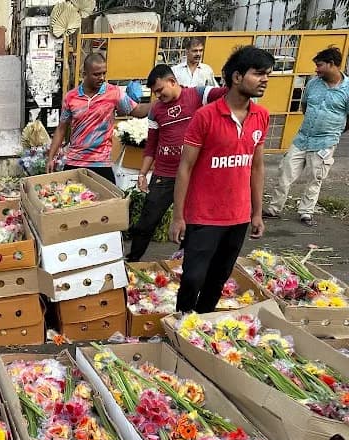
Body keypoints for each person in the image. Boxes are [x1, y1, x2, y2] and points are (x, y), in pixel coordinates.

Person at [169, 45, 274, 314]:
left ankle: (200, 327)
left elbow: (257, 166)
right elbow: (185, 167)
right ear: (236, 77)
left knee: (218, 279)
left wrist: (257, 212)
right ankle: (181, 323)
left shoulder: (261, 116)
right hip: (203, 216)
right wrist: (178, 217)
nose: (264, 80)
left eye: (268, 75)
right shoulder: (206, 116)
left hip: (237, 216)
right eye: (258, 73)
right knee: (192, 278)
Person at [126, 65, 226, 261]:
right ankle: (132, 260)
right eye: (155, 92)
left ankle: (183, 261)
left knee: (192, 222)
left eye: (160, 90)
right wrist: (142, 174)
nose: (157, 96)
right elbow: (151, 145)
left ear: (172, 82)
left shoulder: (198, 95)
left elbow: (227, 93)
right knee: (146, 221)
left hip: (193, 175)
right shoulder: (156, 110)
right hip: (164, 175)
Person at [264, 47, 349, 227]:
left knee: (315, 177)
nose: (316, 70)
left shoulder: (347, 89)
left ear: (332, 64)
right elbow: (304, 106)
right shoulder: (313, 84)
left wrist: (334, 131)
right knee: (285, 171)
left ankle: (306, 212)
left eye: (319, 65)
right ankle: (274, 209)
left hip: (325, 141)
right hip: (303, 137)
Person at [47, 53, 149, 183]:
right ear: (85, 74)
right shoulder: (71, 97)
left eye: (104, 73)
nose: (101, 78)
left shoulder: (114, 93)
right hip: (75, 161)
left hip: (101, 163)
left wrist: (159, 103)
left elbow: (137, 110)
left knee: (110, 201)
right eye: (96, 74)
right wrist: (51, 158)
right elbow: (61, 129)